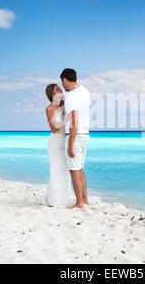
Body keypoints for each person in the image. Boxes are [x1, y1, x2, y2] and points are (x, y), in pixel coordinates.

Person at [60, 68, 91, 209]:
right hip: (85, 134)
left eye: (62, 82)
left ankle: (79, 203)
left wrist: (70, 144)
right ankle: (85, 200)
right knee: (79, 169)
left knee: (74, 171)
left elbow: (74, 121)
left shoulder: (72, 97)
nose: (63, 85)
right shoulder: (84, 91)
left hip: (76, 135)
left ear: (65, 79)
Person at [40, 84, 71, 208]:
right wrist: (66, 120)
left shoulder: (64, 105)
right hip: (55, 143)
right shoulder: (50, 108)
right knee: (56, 170)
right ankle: (55, 201)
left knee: (64, 171)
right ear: (52, 94)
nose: (60, 90)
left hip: (65, 140)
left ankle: (60, 198)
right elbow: (53, 128)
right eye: (57, 89)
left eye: (60, 88)